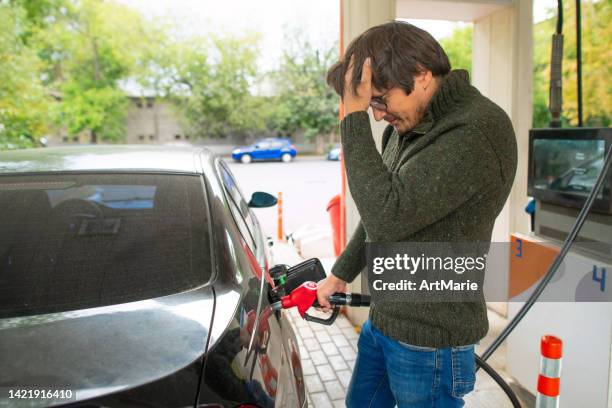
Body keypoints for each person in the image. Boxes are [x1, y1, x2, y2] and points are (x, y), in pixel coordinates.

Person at [316, 21, 518, 407]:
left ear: (422, 76)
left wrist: (351, 117)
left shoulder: (476, 131)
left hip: (431, 342)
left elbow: (387, 214)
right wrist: (340, 274)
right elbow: (381, 218)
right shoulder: (408, 127)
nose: (375, 115)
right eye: (367, 104)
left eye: (377, 100)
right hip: (386, 321)